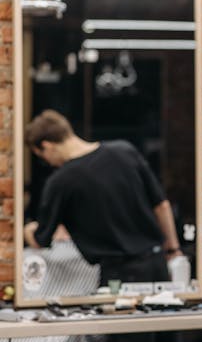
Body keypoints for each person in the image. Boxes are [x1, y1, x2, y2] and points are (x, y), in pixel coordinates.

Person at [23, 109, 183, 286]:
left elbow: (40, 240)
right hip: (156, 262)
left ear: (47, 146)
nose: (48, 162)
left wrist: (27, 230)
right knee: (162, 313)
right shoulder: (125, 151)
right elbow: (162, 206)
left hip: (118, 272)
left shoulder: (60, 181)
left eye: (42, 156)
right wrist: (173, 249)